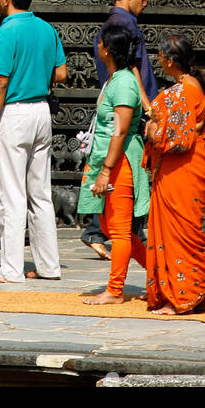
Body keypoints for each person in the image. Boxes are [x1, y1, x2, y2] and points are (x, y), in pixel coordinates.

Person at [0, 0, 67, 284]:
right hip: (42, 112)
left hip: (15, 115)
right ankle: (49, 266)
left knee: (11, 194)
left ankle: (11, 269)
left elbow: (0, 82)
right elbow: (61, 74)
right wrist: (37, 72)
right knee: (40, 194)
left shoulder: (6, 32)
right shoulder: (47, 29)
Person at [143, 33, 205, 317]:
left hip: (179, 169)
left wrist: (151, 130)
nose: (158, 60)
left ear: (170, 60)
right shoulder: (195, 87)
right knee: (186, 231)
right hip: (191, 166)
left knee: (178, 233)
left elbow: (177, 139)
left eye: (160, 55)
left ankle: (183, 296)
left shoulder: (180, 93)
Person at [79, 26, 149, 304]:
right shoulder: (115, 78)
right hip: (110, 158)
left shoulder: (122, 82)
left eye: (99, 43)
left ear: (107, 49)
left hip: (119, 161)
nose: (97, 46)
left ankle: (115, 290)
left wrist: (106, 170)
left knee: (118, 229)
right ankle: (157, 272)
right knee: (109, 227)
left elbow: (119, 131)